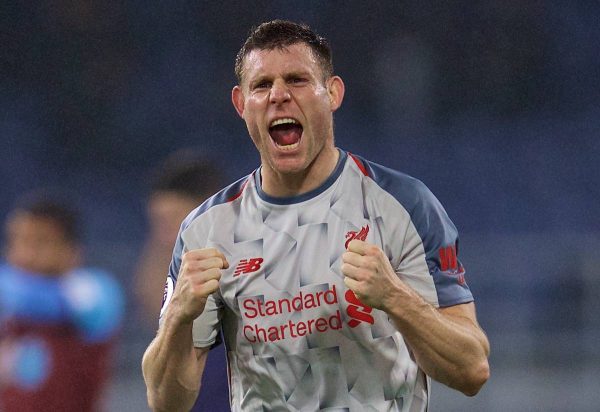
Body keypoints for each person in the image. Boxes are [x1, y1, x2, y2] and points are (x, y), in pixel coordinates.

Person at [142, 20, 490, 412]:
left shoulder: (402, 205)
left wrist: (395, 297)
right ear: (241, 104)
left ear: (333, 93)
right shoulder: (207, 229)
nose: (278, 95)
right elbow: (165, 402)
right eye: (261, 85)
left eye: (297, 79)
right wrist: (177, 318)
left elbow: (471, 369)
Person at [0, 193, 124, 412]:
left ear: (72, 250)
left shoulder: (93, 290)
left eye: (39, 242)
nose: (24, 254)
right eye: (17, 240)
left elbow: (38, 300)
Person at [133, 150, 229, 411]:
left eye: (170, 220)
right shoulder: (177, 269)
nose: (165, 237)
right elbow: (153, 306)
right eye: (157, 224)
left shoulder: (247, 268)